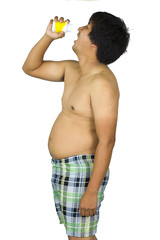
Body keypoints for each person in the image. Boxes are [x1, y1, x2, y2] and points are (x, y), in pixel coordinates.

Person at [22, 12, 130, 240]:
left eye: (87, 27)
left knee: (81, 238)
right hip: (64, 168)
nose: (79, 28)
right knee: (76, 236)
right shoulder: (72, 70)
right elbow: (30, 68)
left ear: (94, 43)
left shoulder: (101, 82)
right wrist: (48, 37)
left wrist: (91, 192)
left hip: (83, 170)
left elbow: (107, 140)